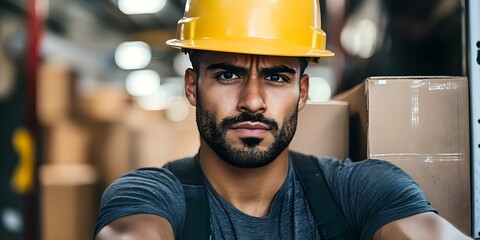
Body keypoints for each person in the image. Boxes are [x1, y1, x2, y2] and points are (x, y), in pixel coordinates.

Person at [93, 0, 472, 239]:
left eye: (276, 77)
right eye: (228, 75)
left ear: (302, 92)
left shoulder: (362, 189)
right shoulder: (148, 193)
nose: (253, 101)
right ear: (193, 86)